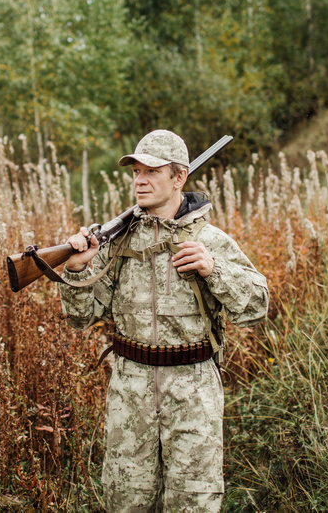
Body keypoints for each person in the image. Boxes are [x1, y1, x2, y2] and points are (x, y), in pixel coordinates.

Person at [61, 129, 269, 512]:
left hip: (193, 391)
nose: (139, 180)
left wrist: (214, 269)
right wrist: (74, 271)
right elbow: (80, 318)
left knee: (194, 501)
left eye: (152, 172)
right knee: (126, 501)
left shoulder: (212, 240)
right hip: (130, 391)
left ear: (179, 178)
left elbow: (257, 306)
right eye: (136, 171)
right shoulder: (118, 243)